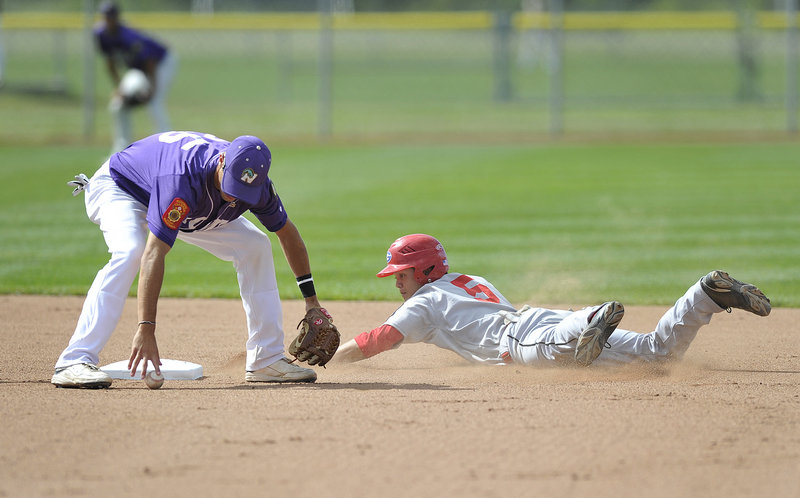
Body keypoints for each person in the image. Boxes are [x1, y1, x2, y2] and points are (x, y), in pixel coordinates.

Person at [52, 131, 328, 388]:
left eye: (242, 192)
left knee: (255, 245)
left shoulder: (255, 185)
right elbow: (154, 253)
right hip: (123, 189)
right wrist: (146, 328)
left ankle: (266, 360)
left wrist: (311, 301)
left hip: (189, 203)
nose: (233, 196)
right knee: (131, 250)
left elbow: (287, 233)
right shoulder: (181, 179)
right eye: (230, 184)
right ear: (222, 160)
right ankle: (75, 359)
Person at [333, 234, 771, 367]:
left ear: (425, 270)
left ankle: (593, 318)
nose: (396, 282)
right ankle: (704, 295)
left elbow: (379, 339)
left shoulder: (423, 303)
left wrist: (329, 362)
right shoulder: (468, 280)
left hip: (520, 339)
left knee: (548, 351)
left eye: (401, 273)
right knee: (661, 356)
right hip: (534, 318)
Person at [94, 1, 177, 153]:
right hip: (138, 69)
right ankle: (121, 150)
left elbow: (150, 61)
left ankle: (169, 149)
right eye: (106, 17)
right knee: (117, 104)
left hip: (162, 63)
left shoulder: (128, 36)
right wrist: (119, 88)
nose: (108, 20)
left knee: (154, 102)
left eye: (111, 17)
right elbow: (110, 62)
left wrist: (152, 88)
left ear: (117, 17)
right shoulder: (100, 34)